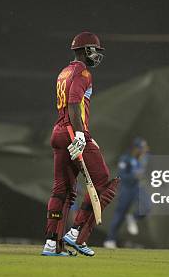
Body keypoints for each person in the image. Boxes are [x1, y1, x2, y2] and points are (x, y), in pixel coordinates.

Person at [42, 32, 120, 256]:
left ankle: (51, 243)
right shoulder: (83, 72)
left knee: (62, 191)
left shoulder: (64, 71)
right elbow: (74, 102)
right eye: (95, 50)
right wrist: (79, 134)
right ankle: (77, 234)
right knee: (104, 183)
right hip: (72, 132)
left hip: (58, 131)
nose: (97, 55)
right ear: (86, 50)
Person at [104, 137, 150, 249]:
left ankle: (133, 218)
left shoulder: (142, 159)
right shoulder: (126, 159)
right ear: (135, 148)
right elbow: (122, 176)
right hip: (126, 189)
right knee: (120, 214)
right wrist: (134, 176)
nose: (144, 150)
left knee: (146, 206)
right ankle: (110, 240)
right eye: (141, 148)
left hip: (137, 188)